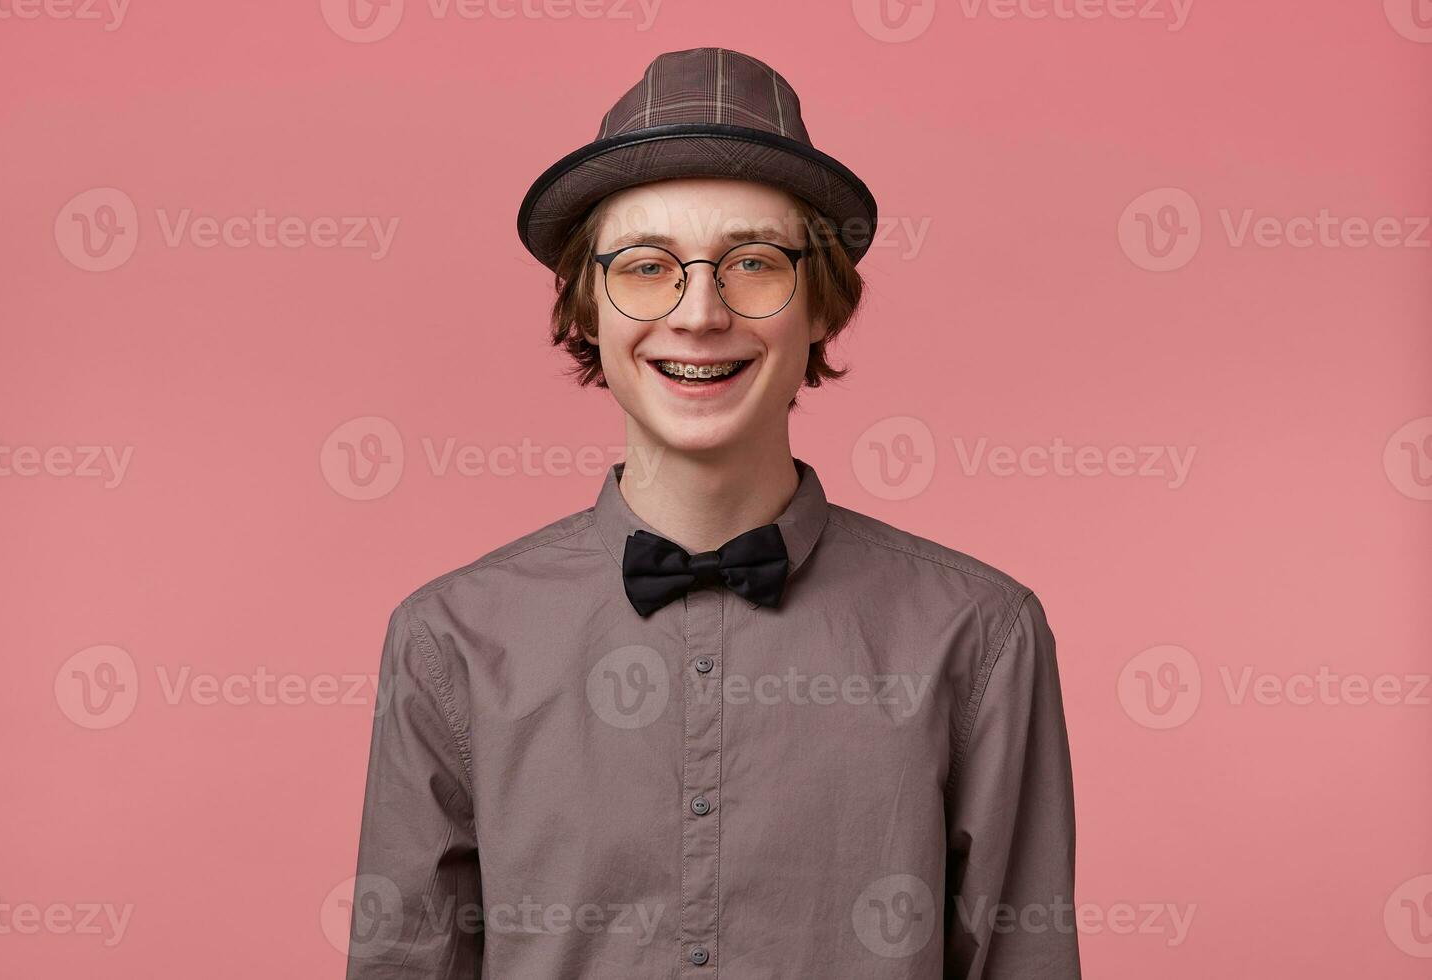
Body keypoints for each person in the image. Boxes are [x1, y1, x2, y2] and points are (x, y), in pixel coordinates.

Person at [345, 46, 1080, 979]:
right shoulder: (446, 641)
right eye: (648, 267)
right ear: (586, 309)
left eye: (755, 264)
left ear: (822, 307)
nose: (699, 313)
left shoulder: (982, 638)